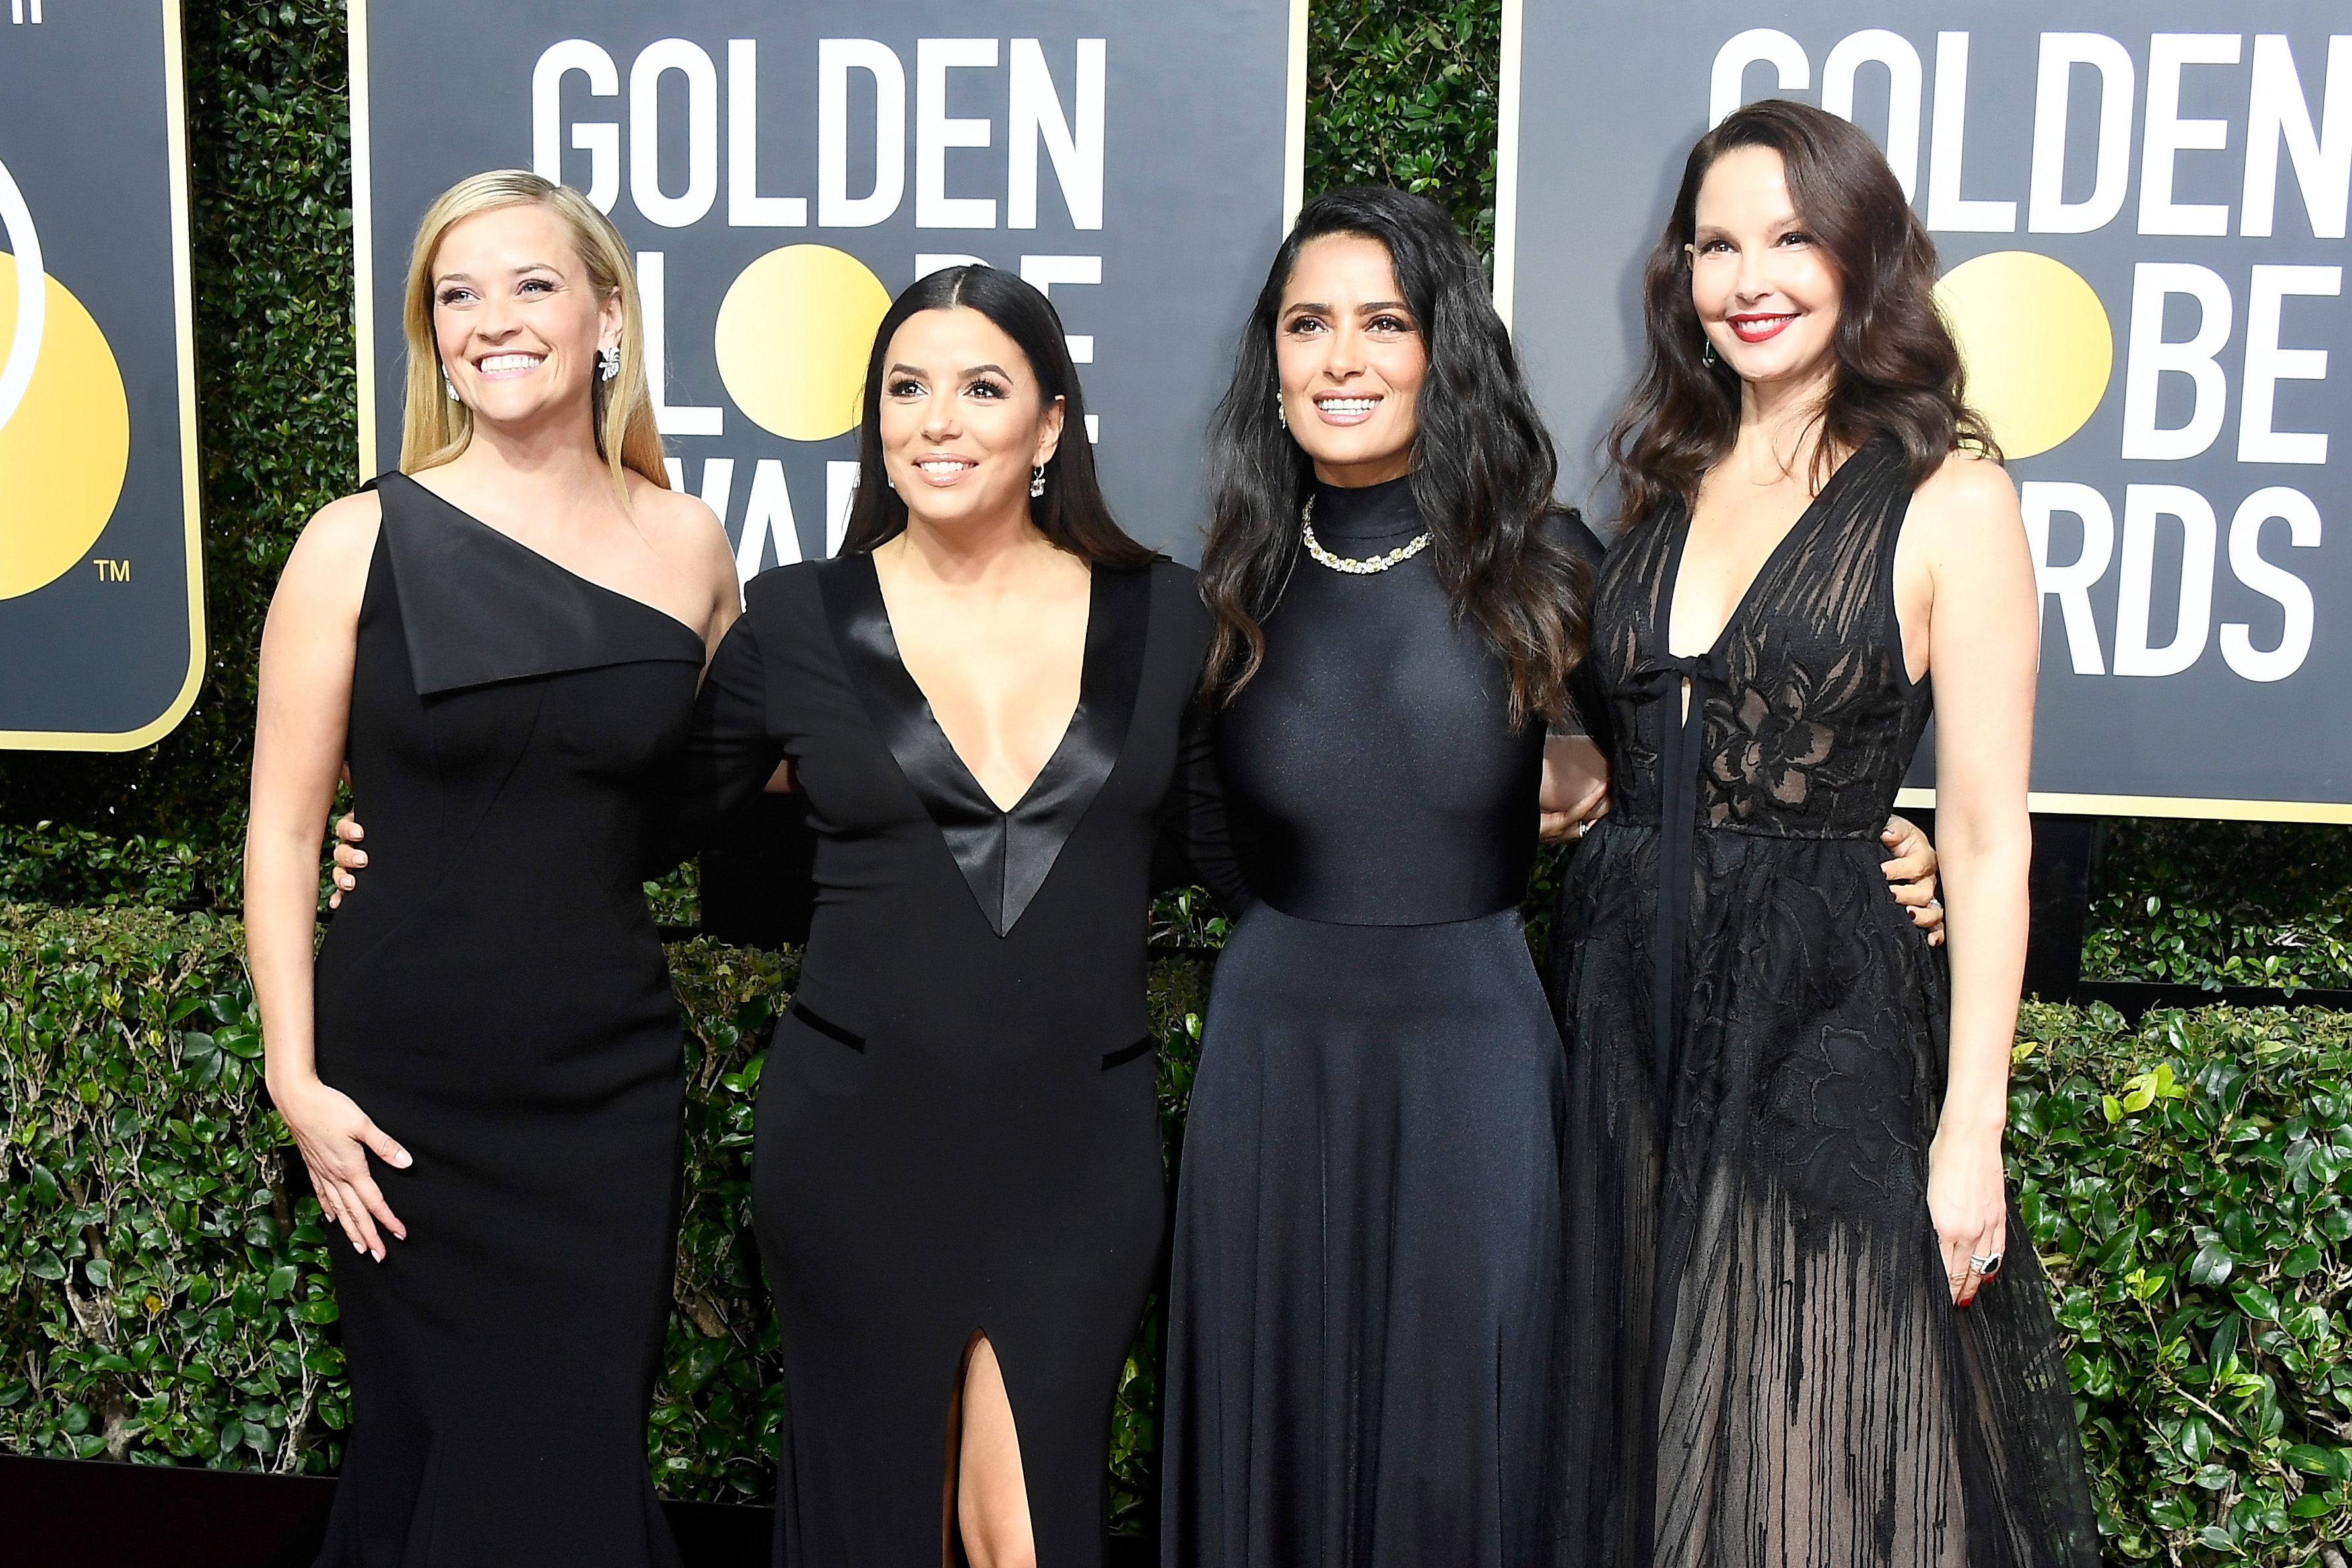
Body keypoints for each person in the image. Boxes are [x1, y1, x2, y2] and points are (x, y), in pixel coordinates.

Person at [1158, 185, 1939, 1568]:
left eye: (1383, 323)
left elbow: (1691, 776)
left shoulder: (1547, 564)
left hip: (1476, 1052)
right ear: (1269, 363)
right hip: (1275, 1056)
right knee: (1269, 1422)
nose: (1343, 358)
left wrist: (1880, 835)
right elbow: (1206, 830)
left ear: (1441, 349)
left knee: (1476, 1434)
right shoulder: (1233, 579)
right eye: (1308, 326)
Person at [1544, 100, 2099, 1566]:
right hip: (1627, 1020)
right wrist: (1583, 765)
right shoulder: (1661, 476)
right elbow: (1659, 728)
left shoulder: (1953, 495)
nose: (1751, 276)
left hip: (1821, 1035)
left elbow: (1984, 837)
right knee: (1648, 1457)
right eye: (1718, 244)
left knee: (1817, 1462)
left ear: (1865, 259)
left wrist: (1971, 1130)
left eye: (1792, 237)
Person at [245, 170, 737, 1566]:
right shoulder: (357, 541)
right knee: (432, 1441)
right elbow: (285, 829)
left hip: (609, 1081)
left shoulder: (690, 546)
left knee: (577, 1449)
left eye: (531, 285)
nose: (491, 321)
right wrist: (296, 1077)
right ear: (432, 337)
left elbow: (713, 788)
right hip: (406, 1088)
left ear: (607, 316)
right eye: (456, 296)